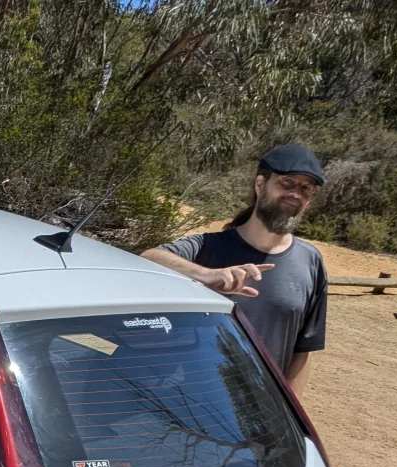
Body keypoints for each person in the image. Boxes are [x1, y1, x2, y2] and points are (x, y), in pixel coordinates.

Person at [141, 144, 329, 396]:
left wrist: (291, 413)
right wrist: (207, 275)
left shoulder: (311, 261)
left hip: (261, 410)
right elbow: (148, 257)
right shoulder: (208, 247)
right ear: (260, 184)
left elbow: (302, 351)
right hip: (197, 403)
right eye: (287, 183)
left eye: (306, 189)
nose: (296, 194)